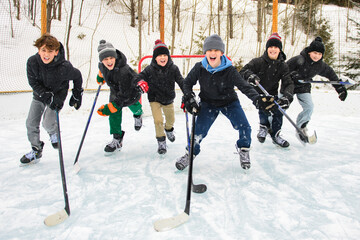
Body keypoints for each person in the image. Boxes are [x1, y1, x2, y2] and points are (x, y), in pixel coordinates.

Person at [176, 34, 273, 170]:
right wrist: (189, 96)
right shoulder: (199, 67)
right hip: (208, 103)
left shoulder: (230, 70)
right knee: (198, 130)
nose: (212, 53)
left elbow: (244, 86)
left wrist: (257, 98)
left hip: (229, 103)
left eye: (216, 50)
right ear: (205, 53)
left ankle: (244, 149)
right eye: (209, 50)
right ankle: (190, 153)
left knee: (244, 127)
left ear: (221, 52)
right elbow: (187, 83)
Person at [20, 33, 83, 164]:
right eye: (43, 50)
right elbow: (33, 82)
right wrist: (45, 94)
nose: (46, 54)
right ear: (38, 50)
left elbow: (77, 76)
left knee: (48, 123)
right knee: (31, 123)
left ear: (56, 52)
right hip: (40, 95)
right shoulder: (32, 62)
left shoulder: (64, 66)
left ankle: (54, 134)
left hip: (58, 95)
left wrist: (77, 94)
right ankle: (36, 149)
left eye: (50, 51)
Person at [287, 36, 347, 142]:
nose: (317, 56)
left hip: (303, 87)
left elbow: (331, 75)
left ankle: (301, 126)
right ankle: (271, 125)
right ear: (310, 52)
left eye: (320, 54)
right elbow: (283, 69)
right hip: (289, 85)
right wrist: (292, 75)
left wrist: (340, 89)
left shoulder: (320, 65)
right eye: (315, 53)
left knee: (309, 107)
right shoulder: (298, 59)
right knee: (280, 105)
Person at [240, 33, 294, 148]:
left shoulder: (283, 66)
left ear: (280, 50)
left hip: (273, 93)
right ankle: (263, 127)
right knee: (263, 108)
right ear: (267, 48)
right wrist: (250, 76)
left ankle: (276, 134)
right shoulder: (258, 62)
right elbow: (243, 71)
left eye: (276, 47)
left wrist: (287, 96)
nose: (273, 50)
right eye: (271, 47)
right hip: (259, 92)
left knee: (279, 111)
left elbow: (288, 82)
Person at [96, 40, 148, 155]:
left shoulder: (123, 70)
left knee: (134, 107)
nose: (109, 61)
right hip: (115, 91)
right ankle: (117, 138)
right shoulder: (101, 65)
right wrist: (101, 76)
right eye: (105, 59)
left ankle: (138, 115)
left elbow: (125, 93)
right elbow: (102, 69)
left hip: (130, 93)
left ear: (115, 57)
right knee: (114, 114)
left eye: (111, 58)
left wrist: (113, 106)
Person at [137, 40, 184, 154]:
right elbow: (138, 77)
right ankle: (161, 141)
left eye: (165, 55)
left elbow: (181, 81)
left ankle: (168, 129)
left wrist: (187, 93)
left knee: (171, 120)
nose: (162, 58)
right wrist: (141, 82)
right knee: (158, 121)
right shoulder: (149, 69)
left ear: (168, 56)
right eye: (159, 56)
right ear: (155, 58)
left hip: (168, 99)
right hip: (154, 99)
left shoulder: (173, 68)